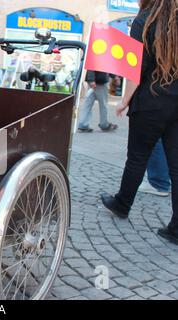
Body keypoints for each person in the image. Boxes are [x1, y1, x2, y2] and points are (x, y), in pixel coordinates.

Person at [100, 0, 178, 245]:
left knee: (137, 157)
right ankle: (176, 228)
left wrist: (124, 101)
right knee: (176, 167)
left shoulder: (143, 21)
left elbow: (136, 69)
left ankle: (122, 204)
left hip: (150, 101)